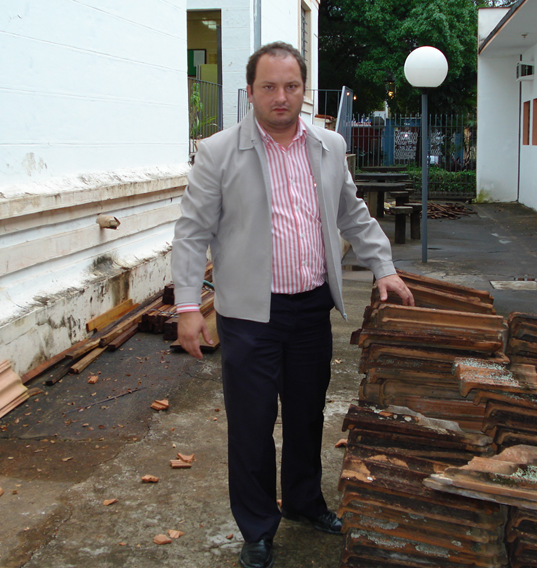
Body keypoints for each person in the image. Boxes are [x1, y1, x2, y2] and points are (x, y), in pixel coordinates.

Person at [171, 42, 413, 568]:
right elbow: (191, 235)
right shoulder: (218, 152)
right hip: (249, 316)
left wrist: (385, 268)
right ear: (251, 90)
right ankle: (257, 528)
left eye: (291, 86)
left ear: (304, 90)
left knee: (306, 416)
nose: (281, 97)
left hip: (310, 309)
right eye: (269, 87)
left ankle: (305, 502)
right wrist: (188, 307)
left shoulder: (328, 146)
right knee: (253, 426)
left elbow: (353, 214)